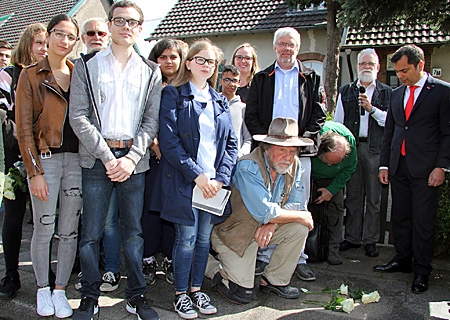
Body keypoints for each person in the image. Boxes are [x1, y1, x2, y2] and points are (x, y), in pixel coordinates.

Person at [69, 1, 161, 319]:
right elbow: (78, 117)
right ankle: (90, 298)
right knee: (91, 233)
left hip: (134, 163)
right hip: (97, 159)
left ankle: (136, 296)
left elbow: (151, 122)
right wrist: (109, 158)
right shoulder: (86, 65)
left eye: (132, 22)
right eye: (119, 21)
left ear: (140, 27)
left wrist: (132, 158)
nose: (125, 26)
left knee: (133, 233)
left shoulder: (151, 71)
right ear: (110, 25)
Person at [158, 38, 238, 319]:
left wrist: (220, 178)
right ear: (189, 63)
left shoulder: (220, 100)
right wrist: (197, 175)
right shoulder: (173, 95)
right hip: (186, 181)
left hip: (213, 184)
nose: (206, 65)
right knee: (187, 238)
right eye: (201, 60)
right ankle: (181, 294)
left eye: (211, 62)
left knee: (204, 239)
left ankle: (196, 289)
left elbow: (231, 144)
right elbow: (168, 143)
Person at [245, 27, 326, 281]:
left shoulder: (311, 77)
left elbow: (318, 115)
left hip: (299, 153)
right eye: (282, 44)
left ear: (298, 48)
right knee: (268, 203)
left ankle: (297, 259)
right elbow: (252, 115)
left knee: (298, 205)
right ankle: (264, 257)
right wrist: (266, 145)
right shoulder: (262, 77)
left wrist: (302, 143)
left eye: (291, 44)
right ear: (274, 47)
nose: (286, 49)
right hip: (268, 152)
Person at [15, 14, 82, 318]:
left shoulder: (78, 73)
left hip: (77, 162)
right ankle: (43, 287)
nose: (64, 41)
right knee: (44, 229)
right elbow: (24, 128)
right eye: (59, 34)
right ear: (50, 35)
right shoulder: (30, 75)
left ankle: (60, 289)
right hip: (47, 160)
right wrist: (34, 172)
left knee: (69, 232)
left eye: (71, 36)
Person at [208, 117, 313, 304]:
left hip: (264, 229)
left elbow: (295, 203)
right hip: (235, 234)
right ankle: (209, 266)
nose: (288, 157)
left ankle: (274, 280)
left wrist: (272, 223)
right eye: (282, 150)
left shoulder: (294, 164)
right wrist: (294, 216)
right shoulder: (248, 166)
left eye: (292, 151)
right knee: (241, 294)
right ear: (267, 147)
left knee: (299, 228)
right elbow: (264, 211)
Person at [374, 45, 450, 294]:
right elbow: (391, 132)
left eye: (405, 70)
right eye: (397, 71)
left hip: (427, 170)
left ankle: (422, 271)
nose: (401, 76)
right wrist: (385, 164)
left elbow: (447, 134)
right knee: (400, 217)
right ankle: (402, 259)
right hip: (399, 167)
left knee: (423, 222)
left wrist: (442, 167)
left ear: (421, 65)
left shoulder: (441, 92)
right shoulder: (397, 94)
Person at [0, 23, 48, 301]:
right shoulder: (9, 75)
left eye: (46, 43)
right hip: (17, 160)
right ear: (26, 45)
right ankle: (11, 273)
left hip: (48, 159)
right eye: (38, 43)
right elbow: (5, 121)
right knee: (14, 217)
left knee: (44, 219)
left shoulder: (51, 74)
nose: (43, 48)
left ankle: (44, 273)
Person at [334, 48, 392, 258]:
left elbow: (390, 122)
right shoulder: (346, 91)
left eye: (370, 64)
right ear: (357, 67)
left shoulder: (387, 92)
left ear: (378, 68)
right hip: (352, 149)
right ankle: (351, 238)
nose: (366, 67)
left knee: (374, 198)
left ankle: (370, 240)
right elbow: (338, 123)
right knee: (353, 196)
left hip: (375, 149)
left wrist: (371, 109)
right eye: (362, 64)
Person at [78, 17, 120, 293]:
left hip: (119, 155)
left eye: (100, 32)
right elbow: (79, 116)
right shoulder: (79, 67)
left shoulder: (121, 65)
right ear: (83, 37)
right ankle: (90, 274)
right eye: (90, 32)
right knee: (90, 221)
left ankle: (112, 270)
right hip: (88, 154)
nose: (96, 36)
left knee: (110, 219)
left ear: (108, 35)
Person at [142, 38, 186, 285]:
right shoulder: (147, 85)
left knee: (172, 213)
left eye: (173, 57)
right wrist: (157, 149)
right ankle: (147, 259)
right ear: (155, 59)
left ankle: (170, 259)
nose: (168, 62)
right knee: (150, 211)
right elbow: (142, 122)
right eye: (163, 57)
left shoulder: (186, 87)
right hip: (152, 160)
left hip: (177, 162)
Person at [310, 121, 357, 265]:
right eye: (327, 161)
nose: (330, 165)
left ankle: (333, 250)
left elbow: (349, 169)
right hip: (310, 175)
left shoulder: (349, 141)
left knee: (336, 211)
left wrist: (331, 190)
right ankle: (307, 250)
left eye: (335, 163)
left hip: (334, 179)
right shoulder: (313, 136)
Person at [219, 64, 251, 157]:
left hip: (234, 159)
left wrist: (240, 154)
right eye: (227, 80)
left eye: (234, 80)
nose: (231, 84)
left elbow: (248, 139)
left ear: (239, 83)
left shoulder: (243, 108)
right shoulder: (212, 104)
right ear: (220, 81)